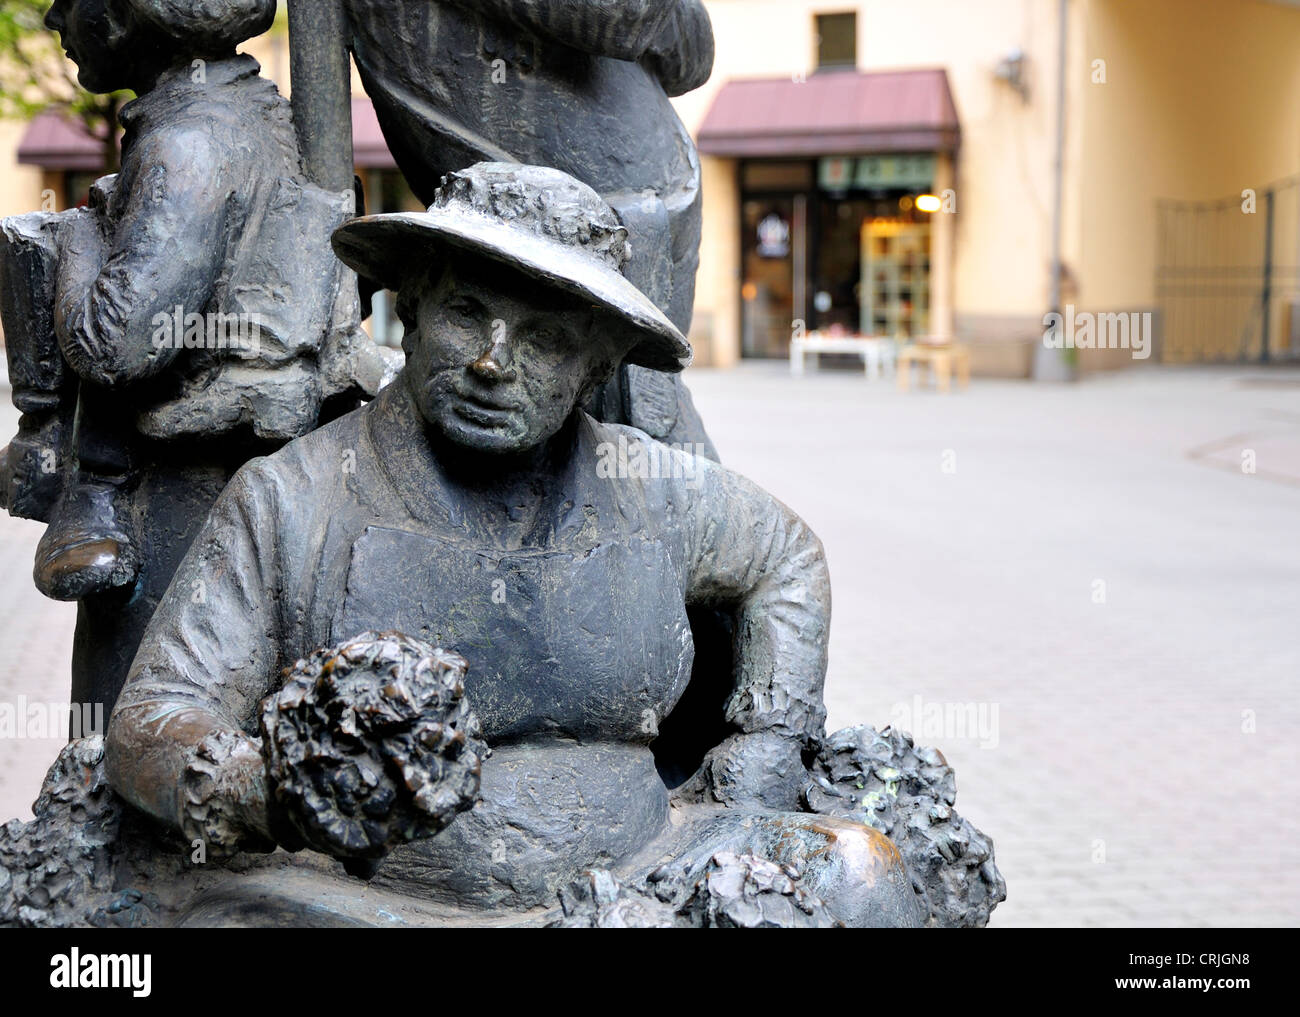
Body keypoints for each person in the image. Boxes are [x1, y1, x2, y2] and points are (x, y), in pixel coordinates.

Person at [105, 164, 921, 927]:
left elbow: (787, 558)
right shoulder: (293, 496)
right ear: (412, 308)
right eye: (468, 314)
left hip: (643, 876)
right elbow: (150, 718)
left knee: (862, 875)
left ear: (595, 365)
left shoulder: (650, 486)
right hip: (367, 902)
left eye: (546, 340)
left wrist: (768, 742)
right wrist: (269, 788)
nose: (497, 362)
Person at [0, 0, 395, 709]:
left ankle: (85, 481)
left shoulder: (189, 144)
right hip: (236, 476)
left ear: (124, 15)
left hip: (188, 496)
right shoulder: (252, 113)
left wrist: (75, 239)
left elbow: (111, 343)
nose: (58, 19)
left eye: (71, 0)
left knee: (130, 728)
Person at [345, 0, 717, 452]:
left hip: (634, 251)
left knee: (651, 483)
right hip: (526, 253)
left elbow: (691, 57)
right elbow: (620, 17)